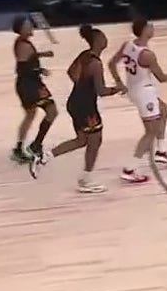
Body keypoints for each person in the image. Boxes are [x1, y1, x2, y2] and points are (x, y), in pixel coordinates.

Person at [30, 25, 125, 193]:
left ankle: (45, 157)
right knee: (95, 140)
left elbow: (71, 72)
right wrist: (117, 89)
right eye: (103, 37)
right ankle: (86, 180)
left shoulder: (84, 55)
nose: (106, 39)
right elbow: (101, 91)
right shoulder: (96, 63)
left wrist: (81, 85)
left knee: (82, 139)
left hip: (74, 102)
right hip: (86, 106)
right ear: (98, 41)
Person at [108, 18, 167, 183]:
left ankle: (161, 152)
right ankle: (130, 168)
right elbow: (162, 78)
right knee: (150, 132)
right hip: (144, 93)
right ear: (143, 30)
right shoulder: (147, 55)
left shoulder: (127, 45)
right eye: (149, 26)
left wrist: (119, 82)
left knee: (163, 109)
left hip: (134, 89)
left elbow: (111, 64)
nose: (152, 27)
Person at [11, 15, 58, 163]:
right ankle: (36, 145)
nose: (31, 26)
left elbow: (28, 60)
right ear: (21, 29)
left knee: (30, 115)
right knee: (52, 111)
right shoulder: (23, 44)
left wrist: (42, 56)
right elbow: (24, 68)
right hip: (30, 85)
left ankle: (19, 148)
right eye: (27, 24)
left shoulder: (22, 43)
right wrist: (40, 70)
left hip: (27, 84)